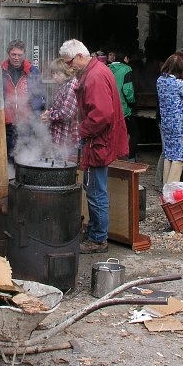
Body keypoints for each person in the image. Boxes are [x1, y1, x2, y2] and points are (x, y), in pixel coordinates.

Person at [60, 39, 128, 254]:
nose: (69, 67)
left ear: (80, 56)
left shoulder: (95, 76)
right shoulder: (95, 71)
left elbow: (102, 115)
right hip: (99, 139)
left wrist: (82, 131)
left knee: (96, 191)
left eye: (70, 62)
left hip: (99, 141)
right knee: (95, 189)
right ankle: (95, 233)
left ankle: (98, 239)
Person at [1, 39, 45, 160]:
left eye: (19, 55)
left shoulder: (33, 72)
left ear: (24, 54)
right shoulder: (0, 71)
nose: (16, 58)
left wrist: (37, 116)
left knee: (26, 158)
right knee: (7, 157)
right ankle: (9, 178)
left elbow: (40, 96)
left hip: (27, 124)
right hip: (6, 124)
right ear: (8, 54)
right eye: (13, 54)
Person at [156, 52, 183, 184]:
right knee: (179, 159)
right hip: (179, 125)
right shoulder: (178, 84)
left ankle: (165, 185)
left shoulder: (160, 81)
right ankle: (171, 189)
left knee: (169, 155)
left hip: (166, 123)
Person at [41, 58, 80, 161]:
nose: (54, 77)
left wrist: (50, 116)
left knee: (66, 168)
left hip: (68, 138)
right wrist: (48, 112)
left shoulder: (71, 85)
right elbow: (57, 107)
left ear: (66, 72)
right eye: (53, 74)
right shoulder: (62, 85)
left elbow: (66, 113)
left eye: (58, 74)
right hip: (59, 137)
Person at [109, 50, 139, 161]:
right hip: (123, 109)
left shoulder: (106, 68)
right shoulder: (127, 69)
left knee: (113, 134)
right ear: (125, 58)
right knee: (134, 133)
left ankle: (112, 158)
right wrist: (133, 104)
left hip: (108, 108)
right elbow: (128, 90)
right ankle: (131, 159)